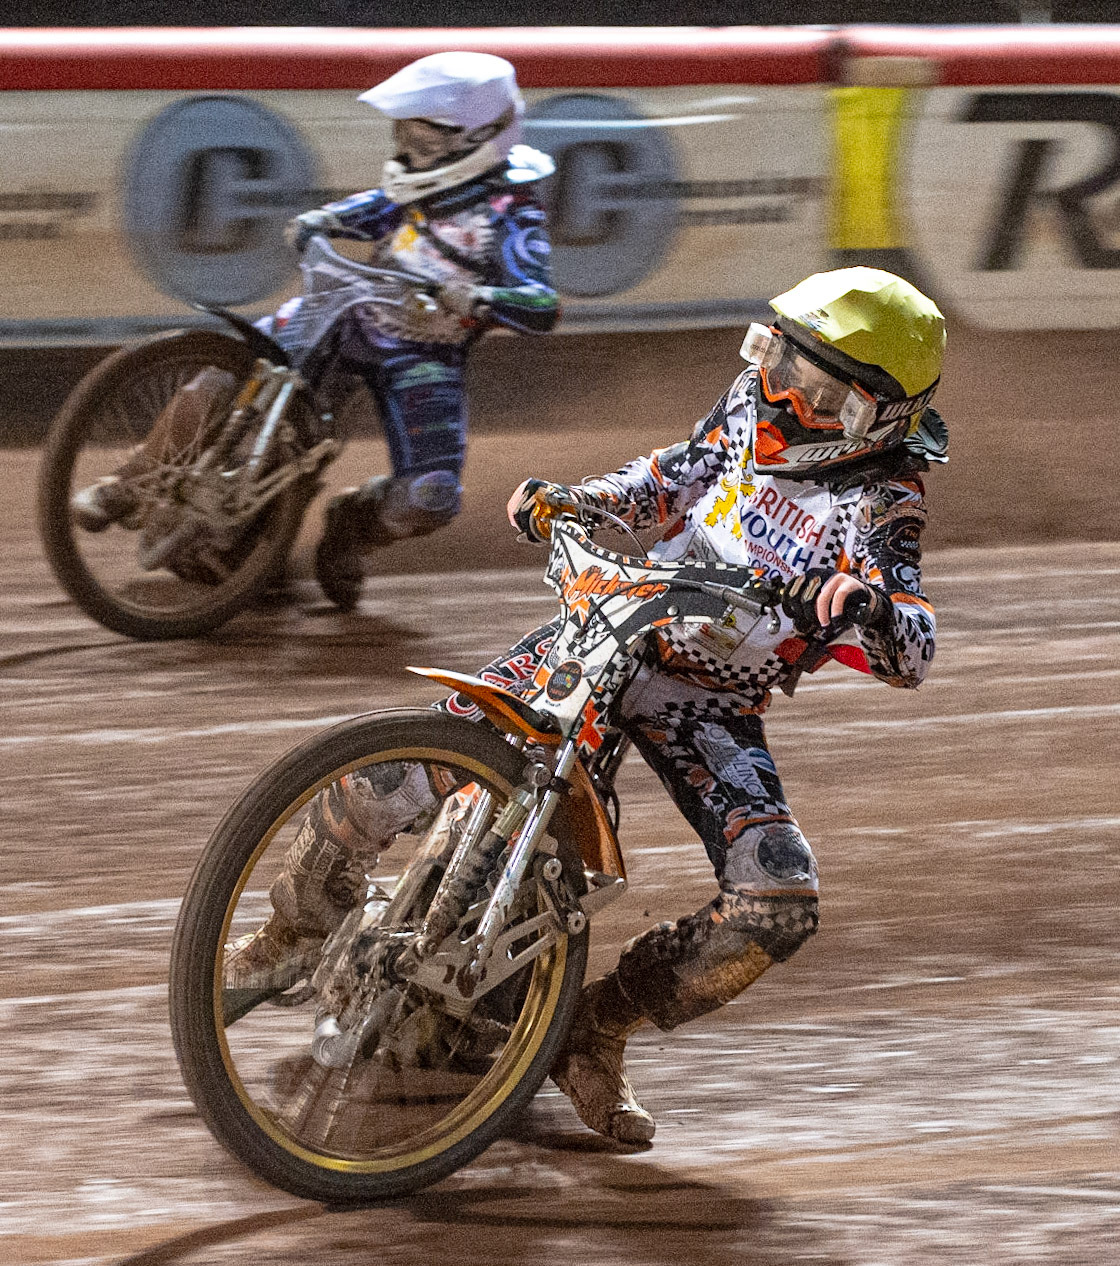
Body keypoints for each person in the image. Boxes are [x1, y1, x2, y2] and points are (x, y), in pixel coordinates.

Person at [227, 266, 948, 1146]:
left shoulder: (883, 499)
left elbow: (911, 644)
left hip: (708, 701)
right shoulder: (749, 403)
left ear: (871, 413)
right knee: (396, 770)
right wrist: (578, 499)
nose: (781, 390)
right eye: (777, 357)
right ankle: (291, 933)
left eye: (814, 385)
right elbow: (671, 477)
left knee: (778, 898)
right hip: (610, 625)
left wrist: (866, 605)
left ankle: (588, 1033)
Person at [73, 51, 559, 613]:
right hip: (345, 311)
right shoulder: (418, 186)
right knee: (235, 371)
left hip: (425, 352)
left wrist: (478, 296)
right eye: (406, 136)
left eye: (426, 142)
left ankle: (349, 527)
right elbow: (381, 205)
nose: (409, 152)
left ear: (481, 138)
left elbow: (541, 304)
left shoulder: (513, 212)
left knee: (430, 498)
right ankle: (130, 483)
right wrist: (321, 220)